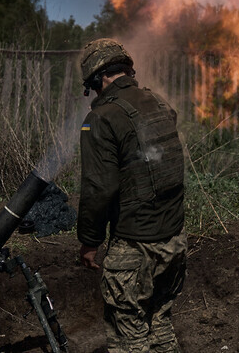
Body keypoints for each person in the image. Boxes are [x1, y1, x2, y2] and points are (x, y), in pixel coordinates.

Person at [76, 38, 187, 353]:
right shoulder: (160, 103)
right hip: (175, 240)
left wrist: (89, 241)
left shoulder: (101, 118)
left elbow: (99, 187)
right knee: (161, 322)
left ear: (99, 79)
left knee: (129, 337)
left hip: (135, 245)